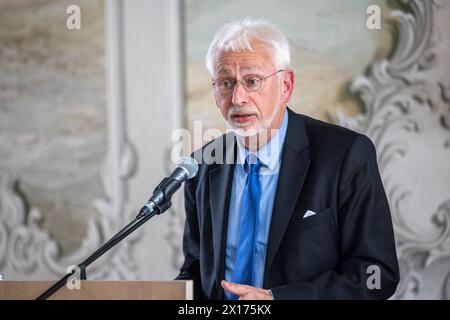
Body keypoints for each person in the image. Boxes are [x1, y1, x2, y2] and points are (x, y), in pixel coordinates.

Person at [176, 18, 399, 300]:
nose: (237, 97)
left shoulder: (346, 154)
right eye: (225, 83)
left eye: (252, 81)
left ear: (286, 85)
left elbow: (376, 274)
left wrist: (275, 300)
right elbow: (196, 272)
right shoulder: (202, 165)